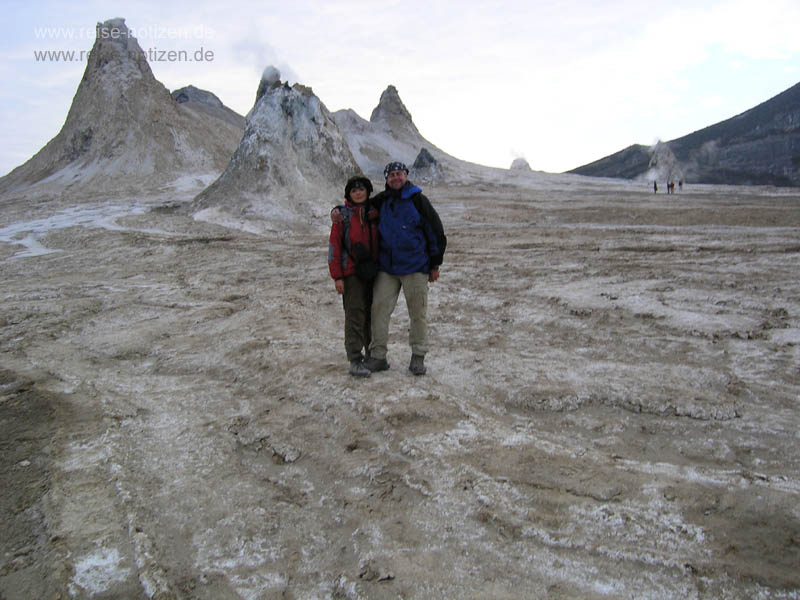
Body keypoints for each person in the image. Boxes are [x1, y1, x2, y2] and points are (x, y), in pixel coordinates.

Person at [363, 161, 447, 376]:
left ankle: (418, 357)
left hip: (415, 266)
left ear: (406, 176)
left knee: (417, 314)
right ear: (386, 179)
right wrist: (338, 211)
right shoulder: (382, 201)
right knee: (379, 310)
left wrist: (435, 264)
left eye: (399, 174)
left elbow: (436, 231)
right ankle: (378, 356)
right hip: (387, 267)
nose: (395, 178)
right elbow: (358, 208)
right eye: (391, 175)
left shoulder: (418, 200)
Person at [328, 175, 379, 377]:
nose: (358, 192)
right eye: (354, 190)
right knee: (355, 314)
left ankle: (371, 355)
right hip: (351, 273)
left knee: (371, 314)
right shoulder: (342, 216)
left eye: (361, 189)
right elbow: (334, 247)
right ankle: (355, 358)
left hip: (372, 272)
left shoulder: (374, 212)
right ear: (349, 194)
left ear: (367, 191)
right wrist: (337, 277)